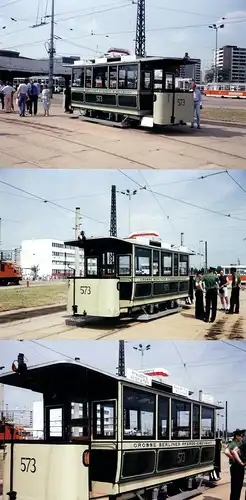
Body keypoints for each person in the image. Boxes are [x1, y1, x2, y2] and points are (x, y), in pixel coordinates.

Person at [230, 431, 246, 500]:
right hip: (237, 467)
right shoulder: (236, 443)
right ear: (236, 436)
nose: (242, 437)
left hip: (238, 467)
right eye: (241, 436)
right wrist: (240, 462)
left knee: (236, 488)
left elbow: (234, 451)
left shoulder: (241, 443)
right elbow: (230, 451)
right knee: (236, 488)